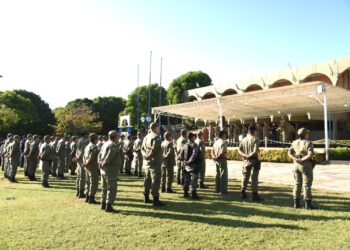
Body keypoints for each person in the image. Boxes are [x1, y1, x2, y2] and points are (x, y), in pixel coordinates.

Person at [288, 128, 316, 210]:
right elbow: (310, 155)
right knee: (307, 184)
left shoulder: (294, 142)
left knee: (297, 183)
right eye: (307, 133)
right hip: (305, 165)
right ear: (305, 134)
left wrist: (295, 159)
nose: (308, 134)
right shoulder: (308, 142)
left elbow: (289, 153)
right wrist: (302, 160)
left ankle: (296, 204)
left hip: (296, 165)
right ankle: (308, 204)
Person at [98, 130, 121, 213]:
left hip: (103, 169)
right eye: (118, 136)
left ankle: (103, 204)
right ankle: (109, 206)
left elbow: (99, 155)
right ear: (115, 137)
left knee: (104, 187)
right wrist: (103, 163)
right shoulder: (113, 145)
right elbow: (109, 156)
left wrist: (100, 163)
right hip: (110, 169)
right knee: (112, 188)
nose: (118, 137)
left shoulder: (105, 144)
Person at [142, 122, 164, 206]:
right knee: (156, 180)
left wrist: (145, 156)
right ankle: (156, 199)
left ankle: (146, 197)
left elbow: (142, 148)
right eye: (158, 127)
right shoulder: (156, 137)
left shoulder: (146, 137)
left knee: (147, 179)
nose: (159, 129)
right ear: (155, 128)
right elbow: (155, 150)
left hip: (148, 162)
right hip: (155, 161)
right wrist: (148, 156)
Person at [238, 125, 262, 201]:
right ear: (254, 131)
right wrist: (249, 156)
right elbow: (255, 151)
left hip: (245, 160)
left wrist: (245, 155)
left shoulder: (243, 140)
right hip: (254, 160)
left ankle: (242, 192)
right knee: (254, 177)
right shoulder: (255, 139)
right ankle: (254, 194)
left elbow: (239, 150)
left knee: (245, 176)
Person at [179, 132, 201, 199]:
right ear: (192, 137)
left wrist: (184, 161)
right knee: (194, 180)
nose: (195, 137)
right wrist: (189, 161)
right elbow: (194, 154)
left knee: (187, 179)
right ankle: (194, 194)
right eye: (194, 136)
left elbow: (180, 155)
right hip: (193, 164)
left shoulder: (184, 145)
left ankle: (185, 193)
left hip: (186, 165)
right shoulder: (194, 145)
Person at [83, 133, 100, 204]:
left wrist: (85, 163)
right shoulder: (94, 147)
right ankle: (91, 198)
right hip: (92, 166)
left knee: (88, 181)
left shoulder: (87, 146)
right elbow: (92, 157)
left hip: (87, 166)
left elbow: (84, 156)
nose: (98, 140)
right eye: (97, 139)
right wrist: (87, 163)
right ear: (95, 139)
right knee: (94, 182)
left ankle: (87, 196)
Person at [211, 131, 228, 195]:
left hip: (216, 160)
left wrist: (214, 157)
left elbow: (212, 151)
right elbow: (222, 152)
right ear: (223, 135)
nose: (226, 136)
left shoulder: (215, 142)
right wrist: (217, 157)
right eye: (225, 135)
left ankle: (217, 189)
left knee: (217, 175)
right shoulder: (223, 142)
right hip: (221, 159)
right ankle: (223, 190)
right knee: (223, 175)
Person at [76, 131, 90, 198]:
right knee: (82, 176)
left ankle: (78, 191)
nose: (88, 135)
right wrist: (80, 157)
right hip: (81, 159)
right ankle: (81, 192)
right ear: (85, 134)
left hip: (78, 158)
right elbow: (83, 150)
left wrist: (77, 157)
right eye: (88, 134)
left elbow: (77, 150)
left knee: (79, 176)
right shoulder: (84, 141)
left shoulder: (79, 140)